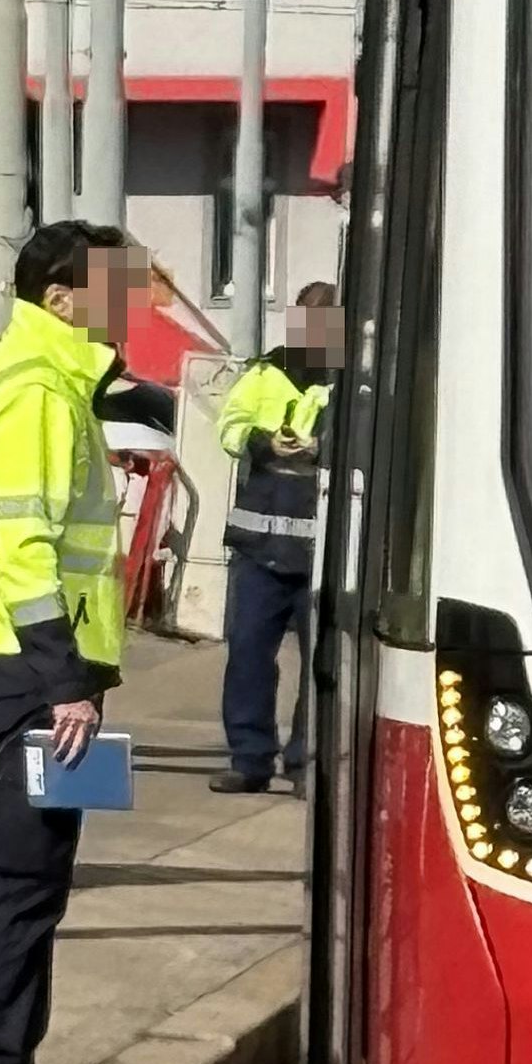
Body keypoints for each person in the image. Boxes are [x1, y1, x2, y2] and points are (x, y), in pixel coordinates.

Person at [0, 222, 136, 1064]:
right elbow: (23, 548)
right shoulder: (34, 389)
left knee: (40, 880)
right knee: (22, 882)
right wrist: (65, 677)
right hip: (34, 674)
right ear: (61, 297)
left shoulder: (51, 380)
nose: (130, 299)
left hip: (47, 671)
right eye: (116, 283)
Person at [209, 284, 340, 795]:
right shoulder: (265, 372)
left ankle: (306, 763)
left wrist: (322, 446)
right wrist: (265, 442)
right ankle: (250, 760)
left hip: (323, 554)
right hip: (258, 549)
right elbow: (230, 426)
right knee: (247, 655)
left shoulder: (351, 379)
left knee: (322, 667)